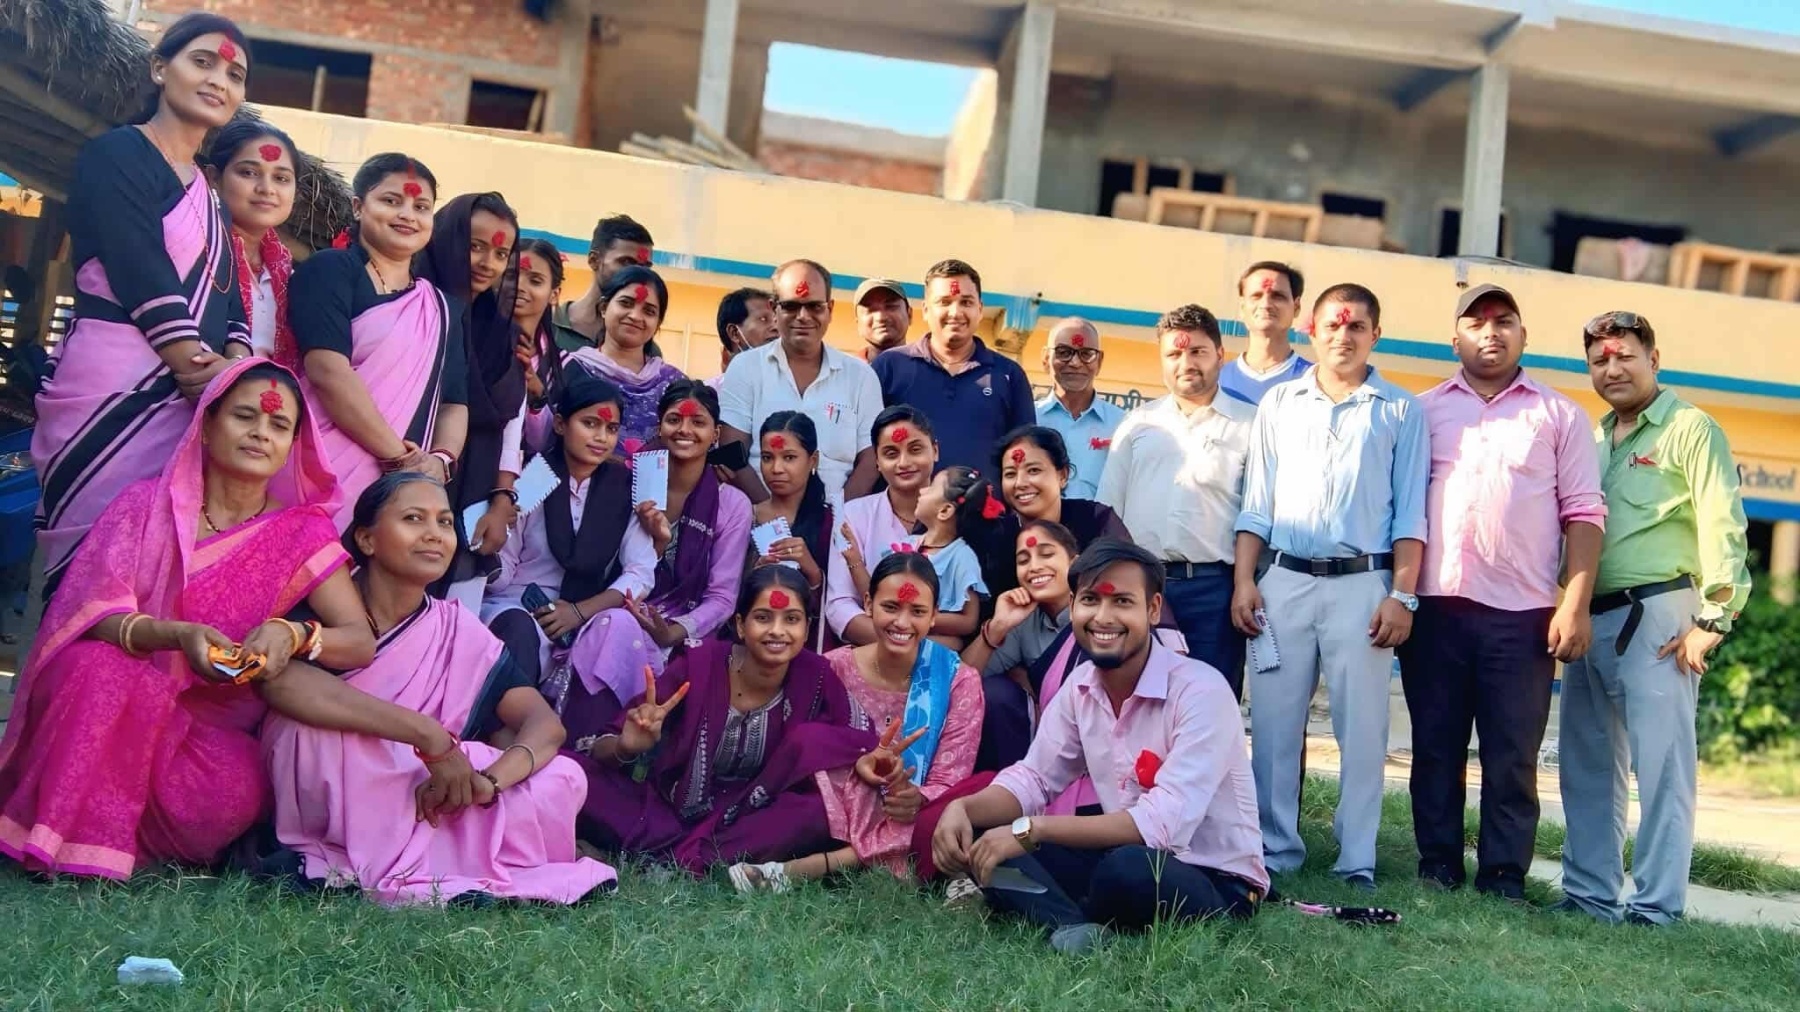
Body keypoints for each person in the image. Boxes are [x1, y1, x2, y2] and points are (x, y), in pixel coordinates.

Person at [0, 361, 376, 879]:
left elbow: (359, 641)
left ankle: (111, 834)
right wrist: (177, 636)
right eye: (244, 416)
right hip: (107, 707)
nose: (260, 433)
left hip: (198, 734)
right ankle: (75, 842)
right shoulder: (144, 506)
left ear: (292, 446)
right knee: (97, 668)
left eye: (278, 425)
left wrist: (292, 634)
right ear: (207, 425)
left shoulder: (301, 533)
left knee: (237, 787)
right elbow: (93, 613)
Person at [260, 472, 616, 905]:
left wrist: (488, 782)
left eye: (445, 522)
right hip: (349, 767)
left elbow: (544, 724)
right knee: (309, 737)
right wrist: (428, 738)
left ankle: (447, 845)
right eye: (413, 518)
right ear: (367, 540)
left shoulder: (456, 629)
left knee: (562, 776)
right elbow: (280, 683)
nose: (434, 534)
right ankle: (452, 850)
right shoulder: (323, 603)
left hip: (432, 783)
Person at [929, 540, 1266, 954]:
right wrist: (963, 808)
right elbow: (1034, 777)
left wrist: (1032, 829)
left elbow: (1160, 826)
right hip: (1121, 859)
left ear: (1153, 609)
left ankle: (1060, 912)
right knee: (987, 841)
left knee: (1127, 868)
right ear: (1073, 606)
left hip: (1213, 880)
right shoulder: (1081, 687)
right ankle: (1073, 929)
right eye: (1090, 600)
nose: (1103, 617)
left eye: (1122, 601)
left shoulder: (1201, 690)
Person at [33, 13, 255, 593]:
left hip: (191, 400)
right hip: (112, 385)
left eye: (234, 75)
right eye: (202, 62)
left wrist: (232, 367)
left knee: (150, 575)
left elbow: (230, 299)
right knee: (89, 566)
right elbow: (139, 266)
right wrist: (198, 369)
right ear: (160, 69)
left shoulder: (211, 196)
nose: (218, 80)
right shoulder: (117, 154)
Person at [1400, 285, 1606, 901]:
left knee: (1512, 754)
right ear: (1454, 340)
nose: (1491, 332)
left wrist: (1575, 603)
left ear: (1523, 336)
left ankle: (1503, 875)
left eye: (1504, 321)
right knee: (1435, 746)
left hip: (1523, 617)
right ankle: (1438, 864)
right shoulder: (1421, 413)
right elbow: (1400, 509)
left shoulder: (1559, 415)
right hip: (1436, 610)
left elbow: (1584, 513)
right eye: (1477, 322)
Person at [1231, 283, 1429, 889]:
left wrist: (1402, 594)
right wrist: (1244, 580)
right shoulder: (1280, 403)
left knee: (1362, 728)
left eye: (1357, 326)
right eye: (1333, 326)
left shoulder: (1399, 410)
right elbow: (1256, 503)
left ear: (1375, 335)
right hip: (1284, 580)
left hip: (1362, 585)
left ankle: (1356, 858)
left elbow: (1411, 514)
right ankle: (1274, 848)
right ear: (1310, 331)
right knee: (1273, 724)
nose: (1344, 336)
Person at [1557, 310, 1751, 926]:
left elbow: (1724, 525)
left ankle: (1656, 907)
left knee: (1663, 768)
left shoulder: (1691, 428)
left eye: (1625, 357)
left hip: (1661, 617)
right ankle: (1588, 896)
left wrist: (1714, 620)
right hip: (1590, 617)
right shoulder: (1593, 438)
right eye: (1600, 361)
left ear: (1654, 360)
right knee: (1587, 764)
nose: (1612, 369)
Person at [568, 565, 877, 876]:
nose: (777, 631)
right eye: (763, 617)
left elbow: (859, 739)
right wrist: (627, 747)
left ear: (807, 630)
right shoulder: (698, 665)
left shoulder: (816, 676)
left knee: (816, 813)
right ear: (741, 625)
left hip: (754, 819)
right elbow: (604, 747)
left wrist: (841, 754)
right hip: (667, 811)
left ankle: (660, 856)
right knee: (570, 771)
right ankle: (692, 858)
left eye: (792, 619)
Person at [760, 554, 982, 887]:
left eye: (917, 611)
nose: (902, 623)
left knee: (962, 803)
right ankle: (884, 855)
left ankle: (822, 865)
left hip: (915, 807)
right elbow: (807, 751)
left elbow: (952, 775)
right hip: (839, 803)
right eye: (890, 607)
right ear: (868, 604)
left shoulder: (958, 681)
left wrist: (916, 798)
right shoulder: (832, 668)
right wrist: (860, 765)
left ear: (934, 615)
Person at [288, 153, 468, 527]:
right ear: (358, 207)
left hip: (400, 493)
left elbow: (454, 402)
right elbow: (327, 371)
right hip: (319, 469)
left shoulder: (439, 308)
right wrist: (400, 459)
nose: (407, 215)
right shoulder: (329, 271)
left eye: (421, 207)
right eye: (391, 200)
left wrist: (440, 460)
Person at [559, 381, 752, 730]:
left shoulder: (731, 504)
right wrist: (656, 543)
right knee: (616, 626)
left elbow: (723, 598)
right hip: (617, 609)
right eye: (674, 419)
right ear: (659, 427)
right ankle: (595, 738)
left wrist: (673, 632)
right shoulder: (630, 484)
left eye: (698, 422)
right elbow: (608, 564)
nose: (685, 430)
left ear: (715, 435)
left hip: (686, 631)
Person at [1098, 305, 1254, 697]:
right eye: (1174, 354)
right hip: (1142, 586)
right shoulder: (1138, 424)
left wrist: (1244, 585)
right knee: (1138, 699)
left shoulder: (1250, 424)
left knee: (1209, 702)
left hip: (1215, 591)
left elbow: (1258, 514)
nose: (1186, 363)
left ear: (1220, 355)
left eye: (1198, 351)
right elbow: (1109, 512)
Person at [481, 376, 653, 695]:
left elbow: (640, 573)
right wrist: (490, 544)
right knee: (518, 630)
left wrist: (578, 612)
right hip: (522, 606)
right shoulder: (535, 478)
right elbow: (502, 573)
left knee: (620, 628)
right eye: (590, 424)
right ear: (560, 424)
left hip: (588, 612)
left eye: (611, 428)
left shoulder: (624, 488)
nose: (601, 437)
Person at [414, 192, 525, 603]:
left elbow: (509, 422)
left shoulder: (501, 332)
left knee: (453, 618)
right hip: (412, 471)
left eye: (501, 253)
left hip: (475, 493)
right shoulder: (416, 307)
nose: (487, 262)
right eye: (475, 246)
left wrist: (501, 498)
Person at [719, 260, 883, 499]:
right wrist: (771, 513)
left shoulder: (860, 376)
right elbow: (732, 452)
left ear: (830, 309)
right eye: (791, 306)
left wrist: (836, 516)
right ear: (774, 309)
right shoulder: (745, 368)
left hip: (839, 518)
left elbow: (870, 459)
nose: (803, 316)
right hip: (757, 515)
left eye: (815, 306)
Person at [873, 259, 1035, 472]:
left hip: (984, 495)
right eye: (944, 302)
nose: (955, 312)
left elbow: (1024, 455)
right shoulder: (890, 367)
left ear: (980, 309)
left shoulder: (1008, 375)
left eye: (966, 302)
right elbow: (867, 449)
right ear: (925, 310)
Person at [978, 425, 1130, 602]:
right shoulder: (995, 537)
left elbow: (1130, 586)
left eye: (1033, 470)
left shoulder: (1098, 521)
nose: (1020, 483)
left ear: (1063, 475)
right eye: (1010, 474)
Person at [827, 406, 936, 645]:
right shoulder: (853, 515)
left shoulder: (957, 515)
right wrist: (900, 644)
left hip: (942, 657)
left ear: (935, 451)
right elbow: (840, 605)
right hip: (871, 653)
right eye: (891, 453)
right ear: (877, 461)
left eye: (915, 449)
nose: (903, 462)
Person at [205, 117, 300, 366]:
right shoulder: (197, 251)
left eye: (281, 178)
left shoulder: (288, 275)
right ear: (214, 178)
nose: (267, 188)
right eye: (249, 172)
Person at [558, 266, 685, 449]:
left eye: (649, 311)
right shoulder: (570, 369)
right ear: (603, 308)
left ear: (658, 323)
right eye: (626, 303)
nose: (635, 316)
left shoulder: (674, 383)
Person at [748, 411, 835, 646]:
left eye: (789, 457)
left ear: (813, 460)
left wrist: (812, 572)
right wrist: (756, 575)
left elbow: (840, 600)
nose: (776, 468)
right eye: (767, 457)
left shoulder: (831, 521)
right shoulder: (746, 516)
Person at [1033, 318, 1123, 501]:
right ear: (1046, 358)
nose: (1075, 362)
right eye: (1064, 352)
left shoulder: (1123, 425)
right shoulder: (1028, 418)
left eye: (1086, 354)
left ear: (1099, 361)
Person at [910, 466, 994, 646]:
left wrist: (916, 618)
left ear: (945, 511)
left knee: (953, 643)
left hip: (933, 639)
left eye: (931, 488)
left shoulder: (962, 557)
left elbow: (969, 621)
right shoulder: (906, 544)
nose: (922, 491)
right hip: (897, 629)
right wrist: (853, 561)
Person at [552, 213, 654, 354]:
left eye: (645, 267)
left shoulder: (643, 348)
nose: (637, 274)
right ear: (594, 260)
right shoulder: (547, 328)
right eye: (626, 262)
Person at [1219, 261, 1309, 406]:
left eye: (1277, 296)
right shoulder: (1216, 381)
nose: (1266, 304)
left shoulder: (1315, 381)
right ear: (1242, 307)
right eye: (1256, 296)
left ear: (1296, 307)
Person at [712, 286, 776, 383]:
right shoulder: (711, 391)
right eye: (763, 319)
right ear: (734, 333)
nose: (776, 327)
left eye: (776, 320)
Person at [854, 277, 912, 363]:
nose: (881, 317)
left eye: (891, 307)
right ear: (858, 322)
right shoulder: (846, 369)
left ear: (909, 315)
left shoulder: (926, 368)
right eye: (870, 310)